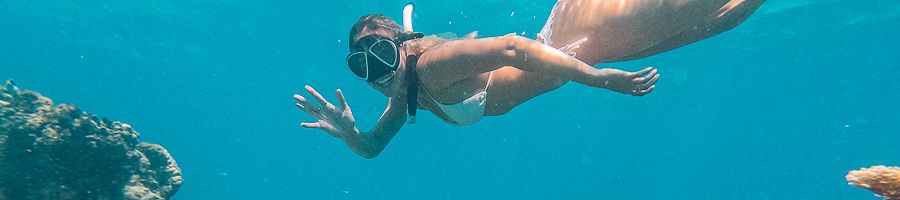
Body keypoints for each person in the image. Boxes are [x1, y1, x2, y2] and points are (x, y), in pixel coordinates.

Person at [294, 0, 764, 158]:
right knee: (724, 17)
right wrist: (351, 134)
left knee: (706, 9)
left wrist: (601, 82)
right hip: (583, 45)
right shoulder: (406, 94)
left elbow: (514, 49)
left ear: (401, 49)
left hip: (581, 35)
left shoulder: (432, 67)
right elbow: (374, 147)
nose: (375, 73)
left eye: (379, 56)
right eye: (363, 66)